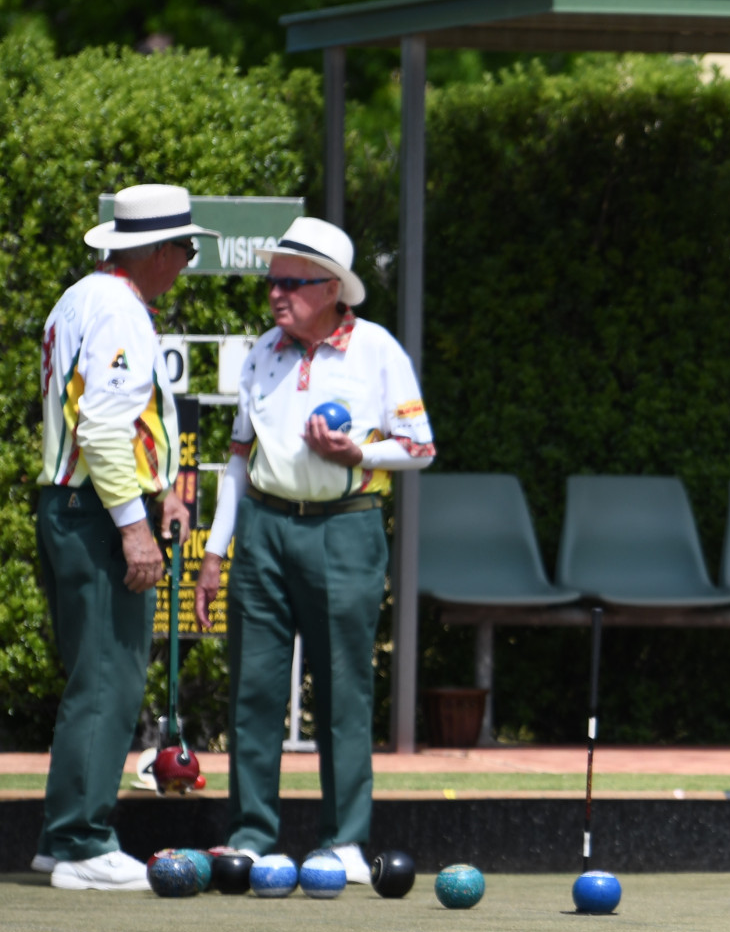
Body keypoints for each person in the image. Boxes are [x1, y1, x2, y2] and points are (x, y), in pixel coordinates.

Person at [193, 217, 435, 883]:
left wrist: (358, 451)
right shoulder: (263, 350)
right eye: (273, 280)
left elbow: (421, 447)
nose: (277, 293)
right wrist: (216, 552)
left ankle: (346, 841)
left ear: (332, 288)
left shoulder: (377, 349)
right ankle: (251, 834)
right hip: (264, 528)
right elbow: (238, 459)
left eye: (293, 282)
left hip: (345, 527)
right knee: (254, 690)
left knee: (344, 691)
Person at [35, 185, 214, 890]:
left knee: (94, 676)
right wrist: (134, 526)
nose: (189, 262)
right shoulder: (118, 311)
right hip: (97, 512)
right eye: (186, 249)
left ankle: (63, 835)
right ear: (156, 250)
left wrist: (162, 486)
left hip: (76, 504)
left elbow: (110, 418)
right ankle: (82, 842)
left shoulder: (83, 298)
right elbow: (103, 428)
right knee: (109, 676)